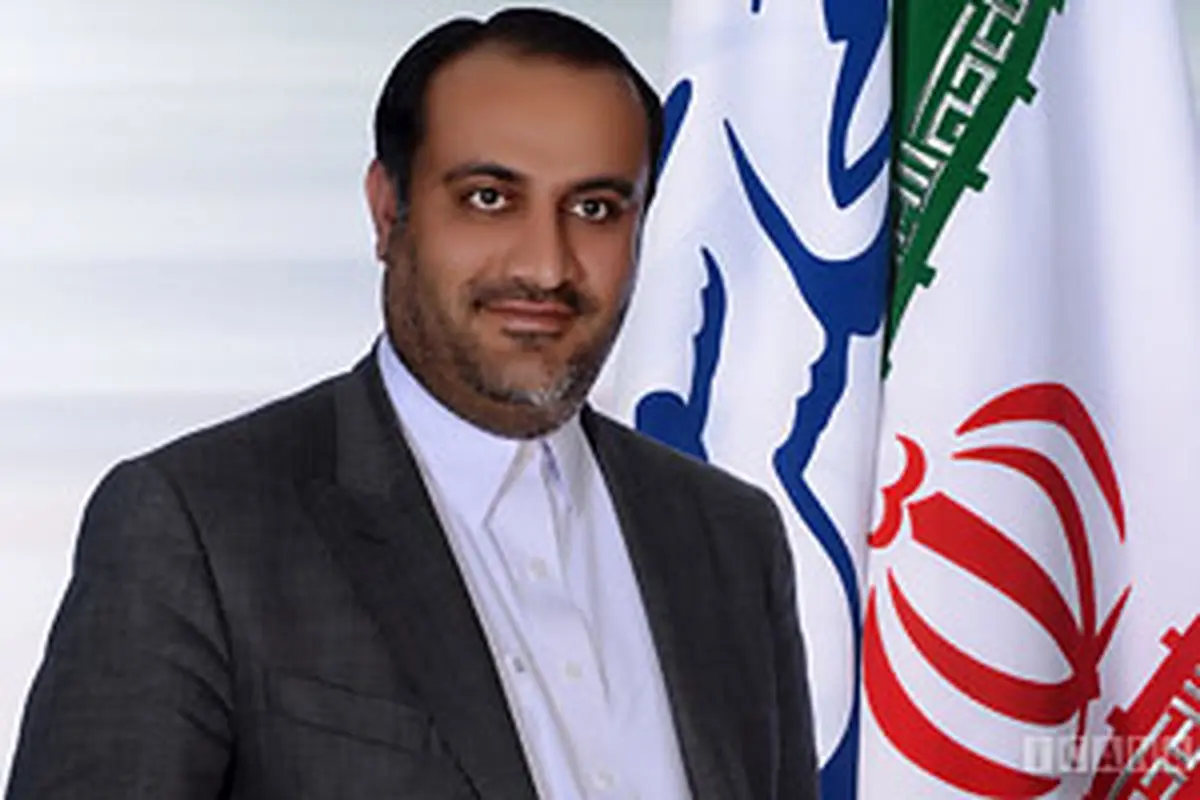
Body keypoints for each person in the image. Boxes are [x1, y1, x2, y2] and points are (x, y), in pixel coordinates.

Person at [6, 8, 818, 799]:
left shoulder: (730, 539)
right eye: (489, 198)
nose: (546, 265)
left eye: (594, 209)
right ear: (388, 210)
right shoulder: (197, 528)